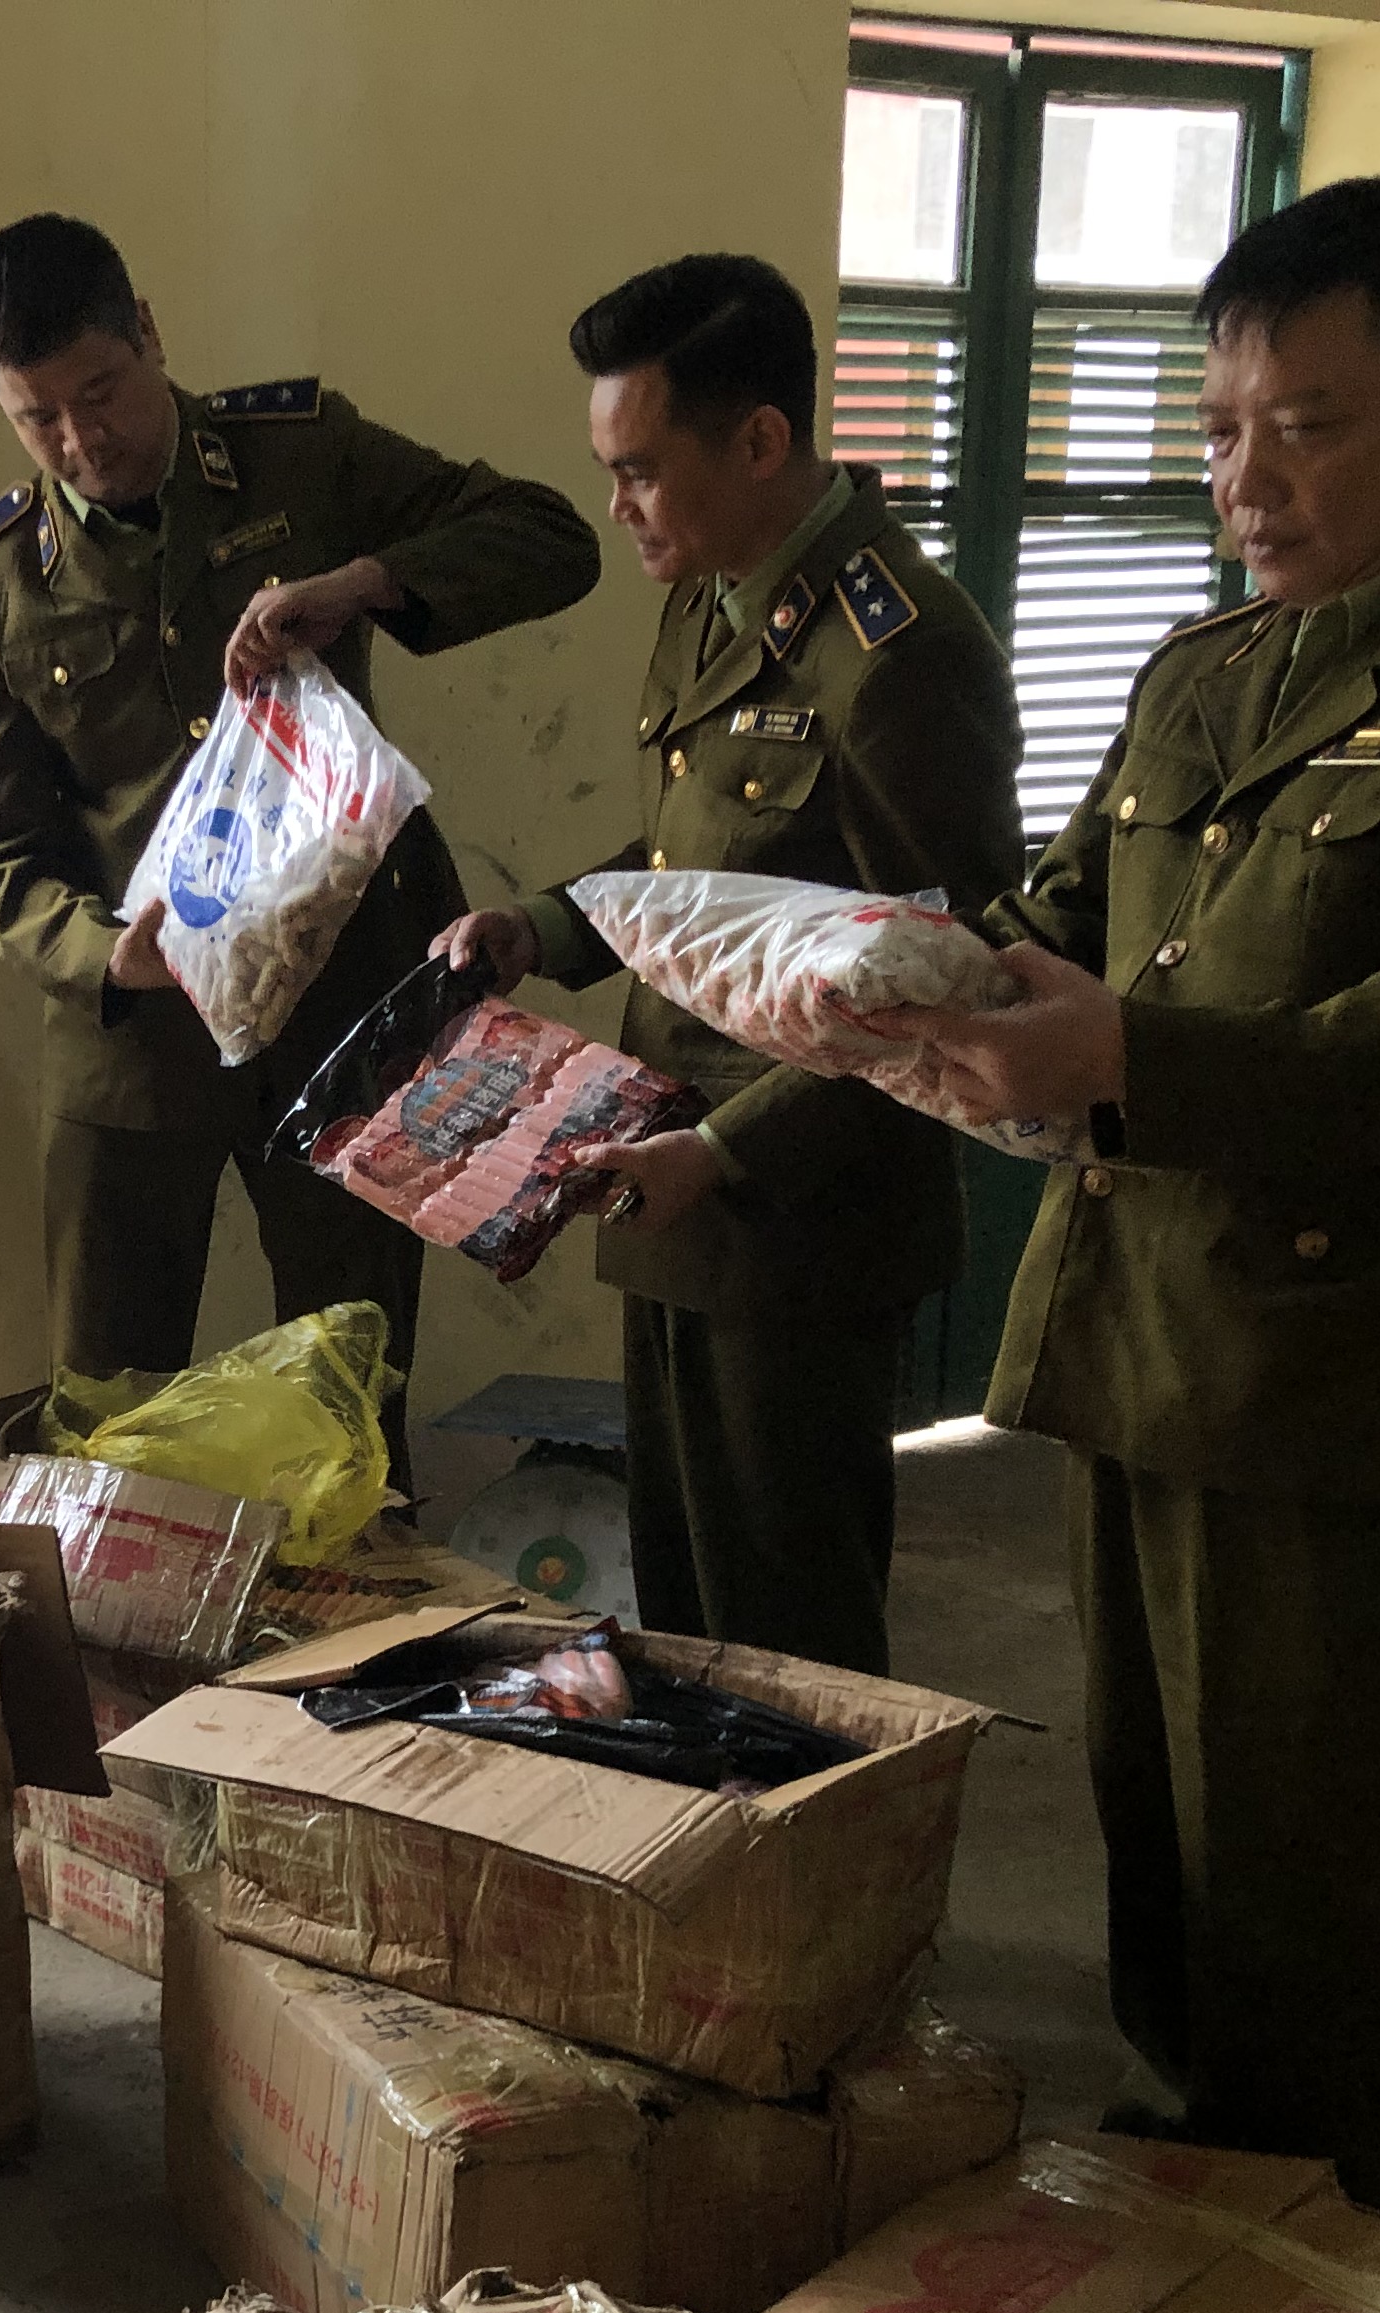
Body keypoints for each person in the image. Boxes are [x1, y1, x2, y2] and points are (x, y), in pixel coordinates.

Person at [888, 177, 1380, 2223]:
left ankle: (1339, 2268)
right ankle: (1193, 2210)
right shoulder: (1206, 667)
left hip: (1339, 1361)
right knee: (1156, 1825)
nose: (1245, 480)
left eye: (1308, 428)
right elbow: (1068, 911)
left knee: (1309, 1861)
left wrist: (1121, 1062)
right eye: (1221, 426)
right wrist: (892, 975)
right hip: (1138, 1320)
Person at [430, 254, 1019, 1675]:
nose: (618, 507)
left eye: (640, 471)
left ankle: (820, 1830)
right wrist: (545, 928)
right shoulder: (715, 589)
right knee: (689, 1603)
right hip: (671, 1177)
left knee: (792, 1630)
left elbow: (953, 976)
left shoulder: (901, 653)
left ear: (760, 440)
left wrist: (729, 1151)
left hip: (805, 1214)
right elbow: (691, 862)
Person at [0, 212, 597, 1459]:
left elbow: (553, 541)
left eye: (101, 391)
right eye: (38, 419)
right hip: (134, 1049)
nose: (83, 441)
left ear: (147, 332)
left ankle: (367, 1592)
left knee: (348, 1406)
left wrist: (367, 583)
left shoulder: (300, 457)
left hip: (345, 1020)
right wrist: (105, 953)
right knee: (106, 1426)